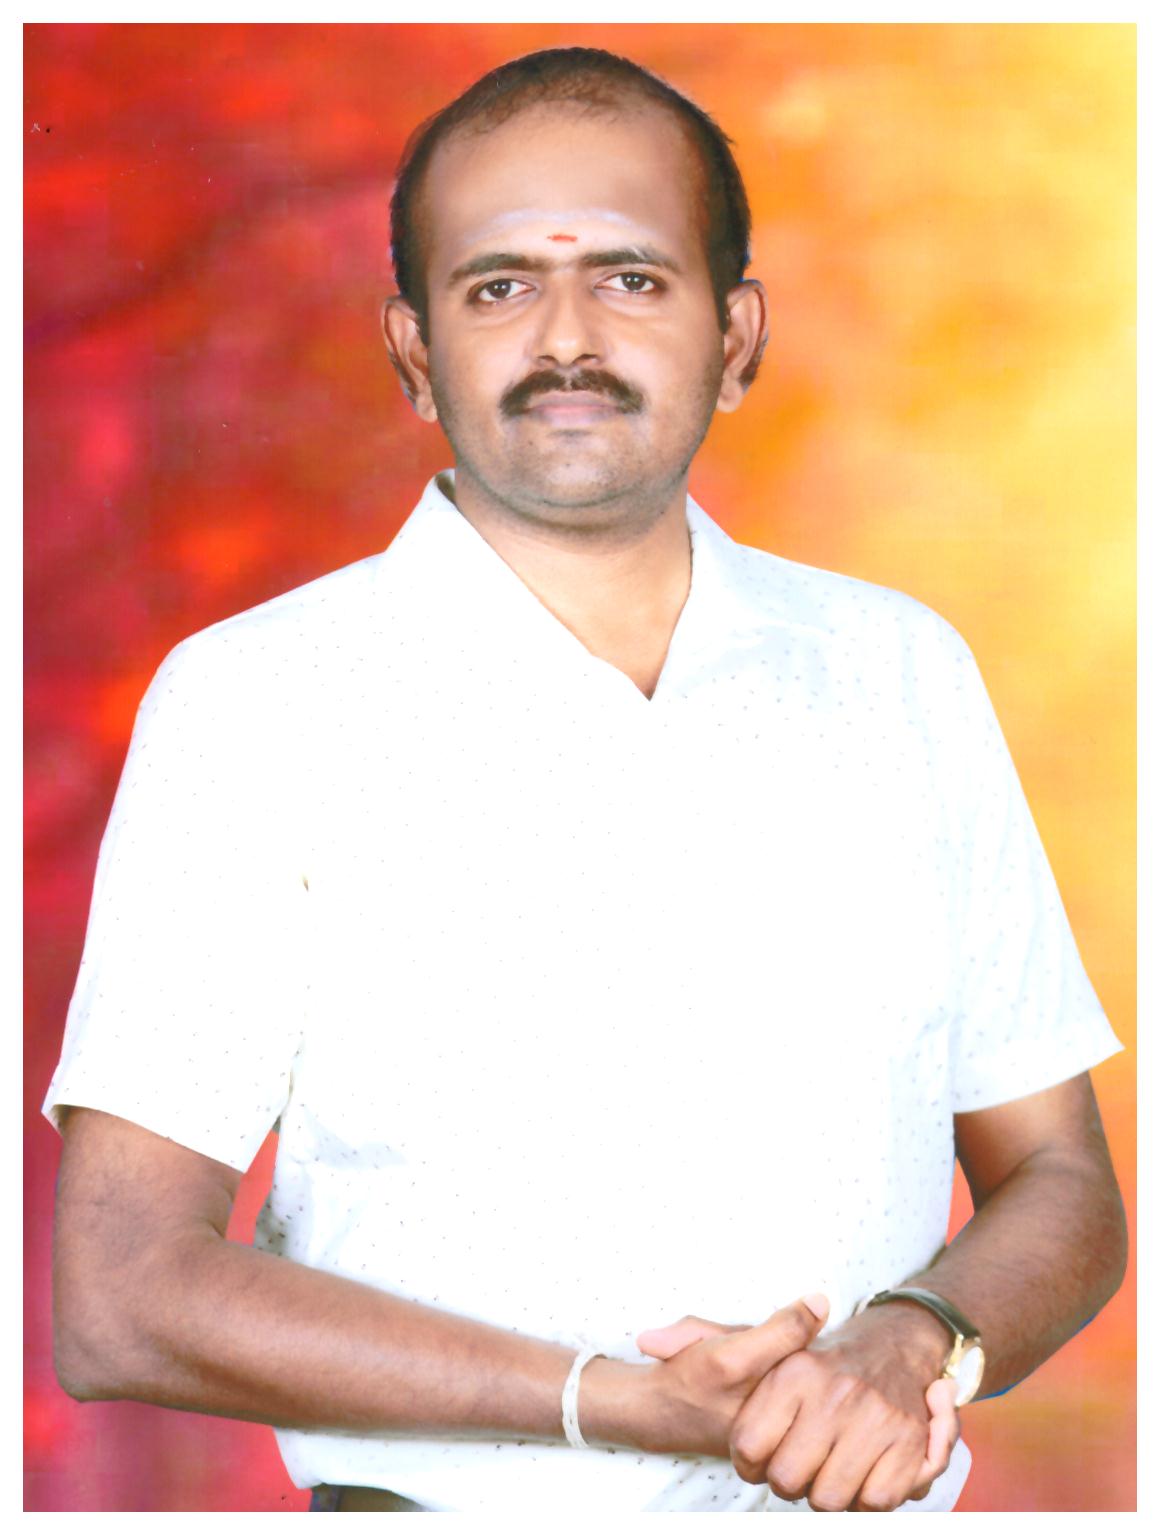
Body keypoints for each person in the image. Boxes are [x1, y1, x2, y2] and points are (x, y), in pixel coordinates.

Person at [44, 47, 1127, 1515]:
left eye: (631, 278)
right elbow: (124, 1296)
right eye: (498, 286)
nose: (567, 338)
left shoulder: (896, 672)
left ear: (736, 336)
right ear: (412, 349)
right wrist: (612, 1404)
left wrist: (919, 1335)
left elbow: (1062, 1182)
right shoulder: (260, 702)